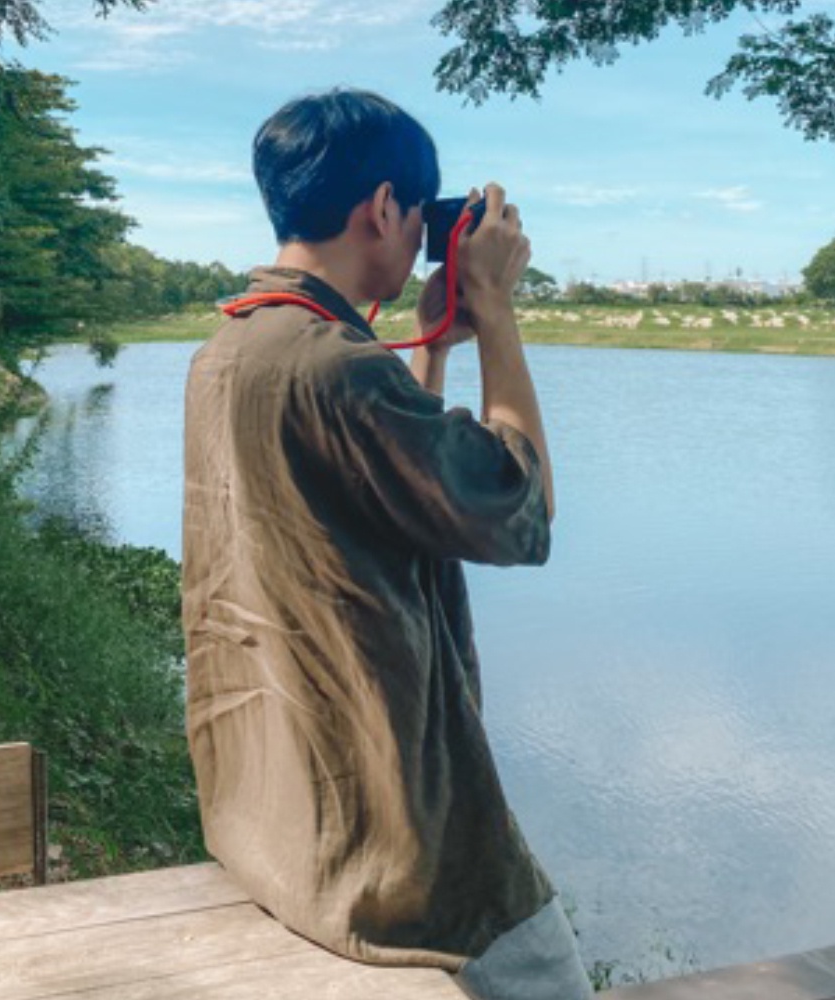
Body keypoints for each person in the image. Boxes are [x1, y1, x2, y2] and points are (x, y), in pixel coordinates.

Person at [182, 88, 593, 1000]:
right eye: (418, 218)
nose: (419, 241)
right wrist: (496, 312)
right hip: (396, 852)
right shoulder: (335, 367)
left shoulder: (230, 349)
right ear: (381, 208)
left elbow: (383, 489)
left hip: (278, 825)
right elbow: (520, 514)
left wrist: (436, 346)